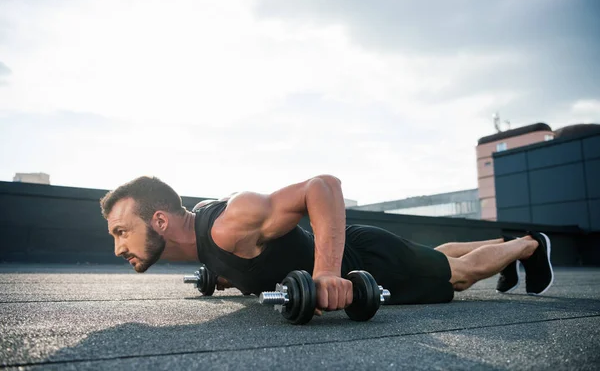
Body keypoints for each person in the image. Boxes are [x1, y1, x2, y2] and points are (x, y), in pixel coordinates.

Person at [99, 175, 554, 313]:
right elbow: (253, 262)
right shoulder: (206, 244)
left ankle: (529, 246)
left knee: (458, 276)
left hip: (362, 261)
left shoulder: (225, 225)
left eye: (122, 231)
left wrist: (326, 274)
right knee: (436, 257)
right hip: (353, 244)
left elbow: (323, 187)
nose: (119, 247)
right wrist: (224, 276)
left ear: (159, 220)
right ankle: (506, 244)